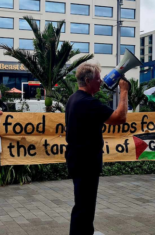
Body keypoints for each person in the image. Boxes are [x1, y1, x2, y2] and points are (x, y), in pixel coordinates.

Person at [65, 63, 129, 235]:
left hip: (77, 160)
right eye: (98, 79)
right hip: (86, 162)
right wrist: (123, 91)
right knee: (85, 209)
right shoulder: (88, 102)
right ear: (88, 80)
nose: (101, 82)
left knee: (82, 206)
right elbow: (120, 117)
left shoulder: (73, 99)